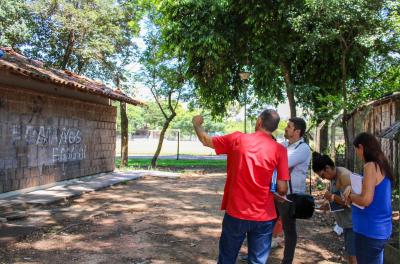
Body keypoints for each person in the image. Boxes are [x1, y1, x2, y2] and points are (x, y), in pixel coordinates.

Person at [192, 109, 290, 264]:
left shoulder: (237, 138)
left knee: (227, 259)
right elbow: (282, 188)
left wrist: (197, 125)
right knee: (257, 261)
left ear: (259, 121)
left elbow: (206, 140)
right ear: (274, 128)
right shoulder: (280, 150)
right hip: (264, 216)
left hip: (237, 212)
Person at [343, 132, 393, 264]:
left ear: (361, 147)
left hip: (369, 230)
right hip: (380, 229)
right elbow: (370, 189)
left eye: (356, 150)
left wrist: (350, 196)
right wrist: (351, 188)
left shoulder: (370, 166)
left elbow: (366, 199)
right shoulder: (381, 164)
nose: (357, 154)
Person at [275, 117, 311, 264]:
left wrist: (276, 160)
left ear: (297, 131)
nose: (286, 128)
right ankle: (258, 254)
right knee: (265, 225)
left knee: (289, 230)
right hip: (275, 193)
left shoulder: (303, 148)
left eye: (289, 127)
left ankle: (287, 261)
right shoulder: (283, 144)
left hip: (290, 197)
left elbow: (283, 163)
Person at [312, 152, 357, 264]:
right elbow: (339, 198)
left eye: (323, 175)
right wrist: (328, 204)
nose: (324, 178)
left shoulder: (344, 176)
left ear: (327, 168)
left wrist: (331, 196)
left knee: (353, 256)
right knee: (351, 254)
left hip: (354, 223)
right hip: (347, 223)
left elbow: (348, 201)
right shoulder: (334, 176)